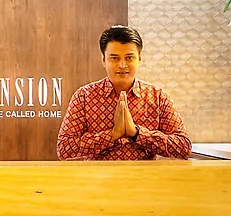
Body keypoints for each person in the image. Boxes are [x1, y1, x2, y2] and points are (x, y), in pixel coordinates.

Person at [57, 25, 191, 160]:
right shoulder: (84, 96)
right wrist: (112, 134)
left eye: (129, 57)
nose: (122, 65)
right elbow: (64, 148)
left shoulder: (158, 97)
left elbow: (184, 147)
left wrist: (136, 133)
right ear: (103, 59)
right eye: (114, 58)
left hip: (144, 174)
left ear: (139, 59)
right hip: (98, 174)